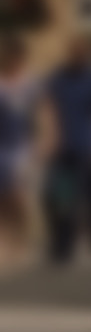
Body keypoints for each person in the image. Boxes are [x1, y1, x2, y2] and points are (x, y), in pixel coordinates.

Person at [40, 35, 91, 262]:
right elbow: (49, 108)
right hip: (63, 147)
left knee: (84, 197)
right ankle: (61, 241)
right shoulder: (59, 78)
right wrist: (48, 138)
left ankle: (78, 241)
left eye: (82, 52)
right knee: (56, 196)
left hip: (87, 145)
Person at [0, 34, 33, 264]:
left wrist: (48, 140)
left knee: (17, 196)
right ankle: (6, 241)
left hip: (20, 147)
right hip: (2, 145)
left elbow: (44, 114)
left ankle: (21, 242)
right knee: (3, 197)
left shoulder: (29, 85)